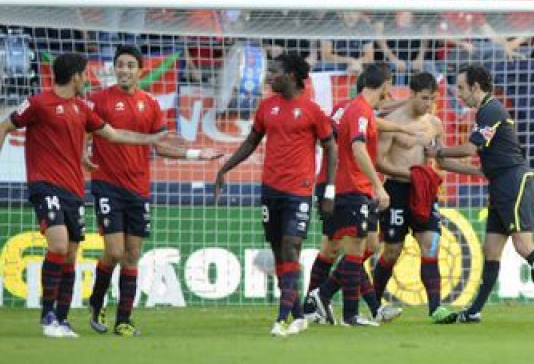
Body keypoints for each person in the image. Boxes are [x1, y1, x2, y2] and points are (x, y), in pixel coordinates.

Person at [0, 53, 173, 338]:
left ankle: (63, 320)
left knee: (69, 254)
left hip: (74, 189)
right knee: (58, 245)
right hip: (44, 185)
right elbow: (6, 125)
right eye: (85, 74)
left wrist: (151, 139)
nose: (88, 79)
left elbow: (114, 135)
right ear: (75, 76)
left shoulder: (82, 108)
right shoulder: (38, 103)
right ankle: (48, 317)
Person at [86, 46, 222, 337]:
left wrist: (197, 154)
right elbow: (87, 133)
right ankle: (97, 301)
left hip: (138, 189)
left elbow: (160, 146)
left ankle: (124, 320)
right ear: (114, 68)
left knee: (132, 255)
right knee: (114, 251)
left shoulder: (150, 103)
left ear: (139, 71)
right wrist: (85, 152)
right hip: (107, 185)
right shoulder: (99, 100)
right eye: (120, 64)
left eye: (130, 65)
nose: (124, 70)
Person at [424, 65, 534, 323]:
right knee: (491, 250)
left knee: (523, 246)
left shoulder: (491, 109)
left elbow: (470, 149)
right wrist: (443, 161)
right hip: (500, 182)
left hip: (513, 181)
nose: (457, 94)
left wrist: (440, 152)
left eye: (460, 87)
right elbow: (480, 168)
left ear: (475, 87)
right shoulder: (486, 112)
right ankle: (474, 311)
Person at [214, 54, 337, 337]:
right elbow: (250, 141)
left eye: (274, 72)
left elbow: (331, 148)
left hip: (299, 191)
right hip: (271, 190)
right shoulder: (267, 106)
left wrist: (329, 190)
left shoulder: (312, 110)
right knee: (280, 253)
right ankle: (297, 316)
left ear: (292, 76)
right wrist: (225, 168)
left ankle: (282, 319)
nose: (269, 77)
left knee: (292, 246)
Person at [302, 72, 414, 324]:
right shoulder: (349, 110)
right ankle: (316, 304)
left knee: (368, 246)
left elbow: (375, 121)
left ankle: (325, 298)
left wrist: (402, 127)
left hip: (356, 184)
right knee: (336, 249)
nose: (389, 97)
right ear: (377, 87)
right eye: (388, 90)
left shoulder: (363, 111)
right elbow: (336, 139)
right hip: (338, 184)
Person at [372, 72, 480, 324]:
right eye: (423, 98)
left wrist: (476, 171)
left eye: (432, 99)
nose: (428, 104)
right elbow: (380, 161)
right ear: (411, 94)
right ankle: (375, 304)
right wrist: (412, 175)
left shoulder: (434, 123)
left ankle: (436, 308)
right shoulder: (392, 122)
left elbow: (441, 159)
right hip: (398, 191)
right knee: (391, 252)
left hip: (424, 192)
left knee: (430, 244)